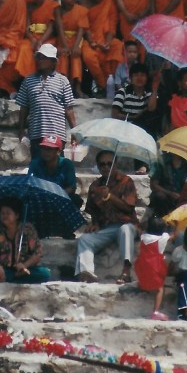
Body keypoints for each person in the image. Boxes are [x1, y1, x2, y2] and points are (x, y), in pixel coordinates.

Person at [75, 150, 139, 284]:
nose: (106, 167)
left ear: (115, 164)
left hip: (125, 224)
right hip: (106, 228)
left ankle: (126, 271)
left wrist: (110, 197)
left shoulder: (126, 181)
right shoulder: (95, 186)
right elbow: (93, 211)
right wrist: (95, 224)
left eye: (109, 164)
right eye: (102, 164)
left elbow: (129, 207)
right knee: (84, 239)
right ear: (98, 166)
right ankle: (86, 273)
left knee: (125, 230)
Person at [16, 43, 76, 158]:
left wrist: (74, 132)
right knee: (38, 169)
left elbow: (69, 109)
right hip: (36, 134)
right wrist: (21, 130)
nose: (40, 61)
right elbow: (24, 108)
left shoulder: (63, 81)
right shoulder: (28, 81)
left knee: (57, 168)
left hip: (56, 134)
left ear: (53, 62)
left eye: (44, 58)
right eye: (39, 57)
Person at [0, 195, 50, 284]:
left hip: (26, 269)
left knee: (44, 273)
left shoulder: (27, 230)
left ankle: (11, 277)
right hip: (4, 268)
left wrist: (24, 266)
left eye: (8, 213)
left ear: (16, 215)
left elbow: (38, 252)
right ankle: (13, 277)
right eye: (2, 213)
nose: (4, 216)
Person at [80, 0, 123, 97]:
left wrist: (108, 43)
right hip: (90, 40)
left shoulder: (110, 3)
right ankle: (103, 85)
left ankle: (115, 83)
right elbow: (84, 26)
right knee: (88, 56)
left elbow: (112, 25)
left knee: (118, 46)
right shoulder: (84, 4)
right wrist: (91, 41)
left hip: (105, 38)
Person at [54, 0, 89, 98]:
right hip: (63, 39)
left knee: (76, 57)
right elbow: (59, 28)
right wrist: (64, 46)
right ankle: (62, 88)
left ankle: (77, 88)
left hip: (76, 39)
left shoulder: (81, 10)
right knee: (63, 56)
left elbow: (81, 30)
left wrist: (75, 46)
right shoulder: (57, 10)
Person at [111, 62, 161, 138]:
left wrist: (155, 88)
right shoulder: (123, 92)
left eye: (143, 75)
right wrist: (134, 117)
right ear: (131, 78)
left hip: (141, 132)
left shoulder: (148, 93)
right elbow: (114, 115)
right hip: (123, 131)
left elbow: (151, 108)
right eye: (136, 75)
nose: (139, 78)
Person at [27, 135, 80, 206]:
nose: (45, 152)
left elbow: (71, 187)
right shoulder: (35, 164)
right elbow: (30, 183)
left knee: (75, 199)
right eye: (44, 148)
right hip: (40, 198)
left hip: (61, 198)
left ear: (58, 151)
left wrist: (57, 196)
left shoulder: (67, 164)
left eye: (49, 149)